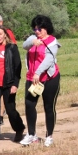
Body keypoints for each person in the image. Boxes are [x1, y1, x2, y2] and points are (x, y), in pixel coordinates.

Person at [21, 15, 61, 147]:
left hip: (49, 78)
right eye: (35, 28)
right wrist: (32, 42)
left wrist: (38, 72)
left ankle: (49, 136)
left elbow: (49, 60)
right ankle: (31, 134)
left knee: (48, 107)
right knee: (29, 105)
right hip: (32, 78)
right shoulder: (33, 39)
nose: (37, 31)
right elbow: (24, 46)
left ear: (46, 28)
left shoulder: (52, 41)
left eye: (40, 28)